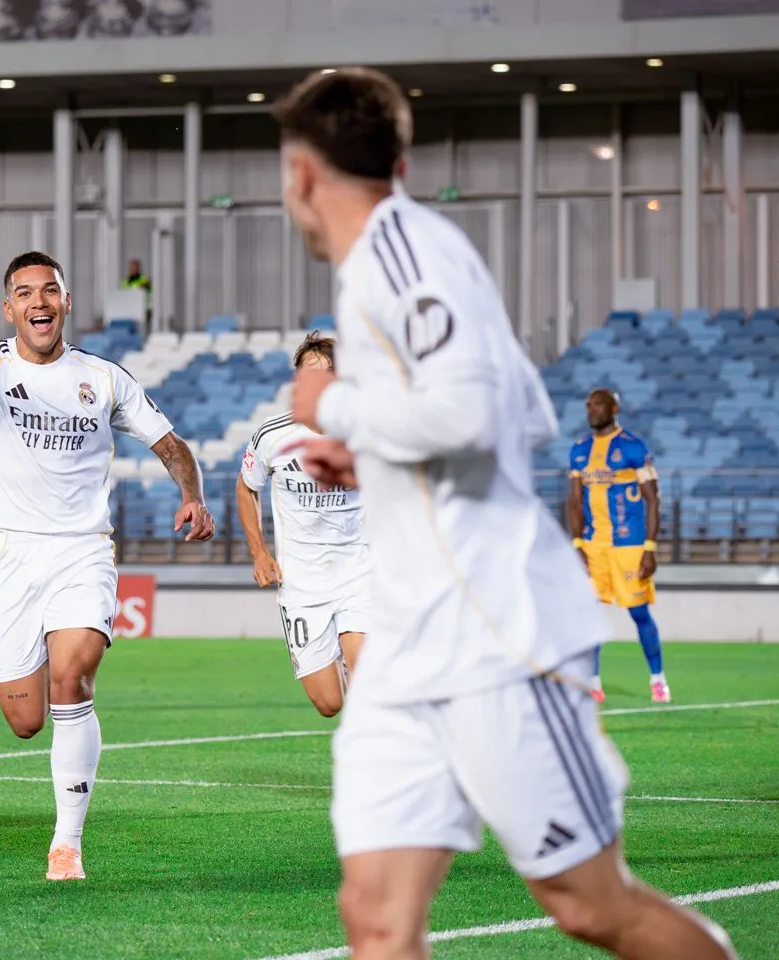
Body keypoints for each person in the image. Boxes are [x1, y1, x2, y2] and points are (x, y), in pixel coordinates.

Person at [276, 68, 737, 960]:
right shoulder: (389, 260)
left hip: (495, 632)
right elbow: (520, 410)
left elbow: (475, 416)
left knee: (591, 906)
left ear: (299, 174)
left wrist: (332, 411)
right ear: (400, 160)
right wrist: (369, 450)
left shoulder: (401, 255)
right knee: (374, 917)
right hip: (409, 643)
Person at [0, 251, 213, 881]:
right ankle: (59, 810)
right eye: (25, 293)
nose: (40, 301)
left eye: (50, 290)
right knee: (26, 721)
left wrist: (191, 494)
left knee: (74, 679)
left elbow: (170, 445)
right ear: (8, 309)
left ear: (66, 301)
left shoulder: (104, 378)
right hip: (8, 554)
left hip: (83, 550)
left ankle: (67, 844)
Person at [237, 330, 368, 717]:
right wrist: (259, 551)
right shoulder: (272, 436)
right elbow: (246, 490)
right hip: (302, 582)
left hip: (361, 570)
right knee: (329, 703)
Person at [569, 389, 668, 704]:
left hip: (629, 545)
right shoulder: (579, 450)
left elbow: (653, 500)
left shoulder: (633, 448)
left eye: (598, 404)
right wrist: (577, 543)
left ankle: (658, 680)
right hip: (594, 544)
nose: (592, 410)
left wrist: (650, 547)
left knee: (638, 613)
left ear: (614, 408)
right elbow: (574, 500)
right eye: (588, 405)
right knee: (588, 614)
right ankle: (593, 684)